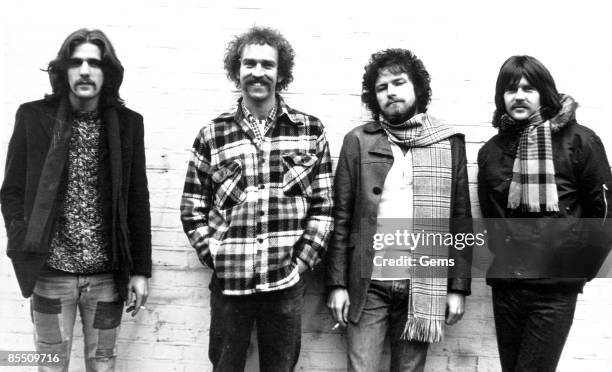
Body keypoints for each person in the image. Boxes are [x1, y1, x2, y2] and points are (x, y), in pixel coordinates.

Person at [180, 26, 333, 372]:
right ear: (238, 70)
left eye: (268, 64)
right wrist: (216, 256)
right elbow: (192, 208)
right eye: (249, 64)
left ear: (281, 73)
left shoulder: (310, 131)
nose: (258, 72)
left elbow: (324, 209)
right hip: (229, 284)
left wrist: (301, 264)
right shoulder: (213, 134)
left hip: (285, 283)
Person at [1, 28, 152, 371]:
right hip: (51, 275)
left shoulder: (128, 125)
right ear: (63, 70)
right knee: (51, 364)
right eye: (76, 62)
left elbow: (137, 199)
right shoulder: (33, 117)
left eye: (94, 63)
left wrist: (141, 271)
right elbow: (11, 191)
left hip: (106, 279)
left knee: (103, 365)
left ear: (107, 72)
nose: (85, 70)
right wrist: (24, 239)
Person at [325, 48, 472, 372]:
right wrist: (337, 284)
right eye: (381, 87)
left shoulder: (447, 142)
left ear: (417, 88)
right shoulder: (358, 141)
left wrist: (457, 288)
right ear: (373, 97)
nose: (390, 91)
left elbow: (460, 221)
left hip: (422, 285)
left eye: (399, 82)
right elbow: (341, 219)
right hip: (369, 284)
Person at [477, 55, 612, 372]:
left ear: (544, 92)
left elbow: (605, 216)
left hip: (554, 291)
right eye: (510, 90)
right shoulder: (491, 151)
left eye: (528, 88)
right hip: (507, 287)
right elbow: (492, 219)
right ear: (502, 98)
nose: (519, 96)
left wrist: (576, 267)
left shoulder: (579, 141)